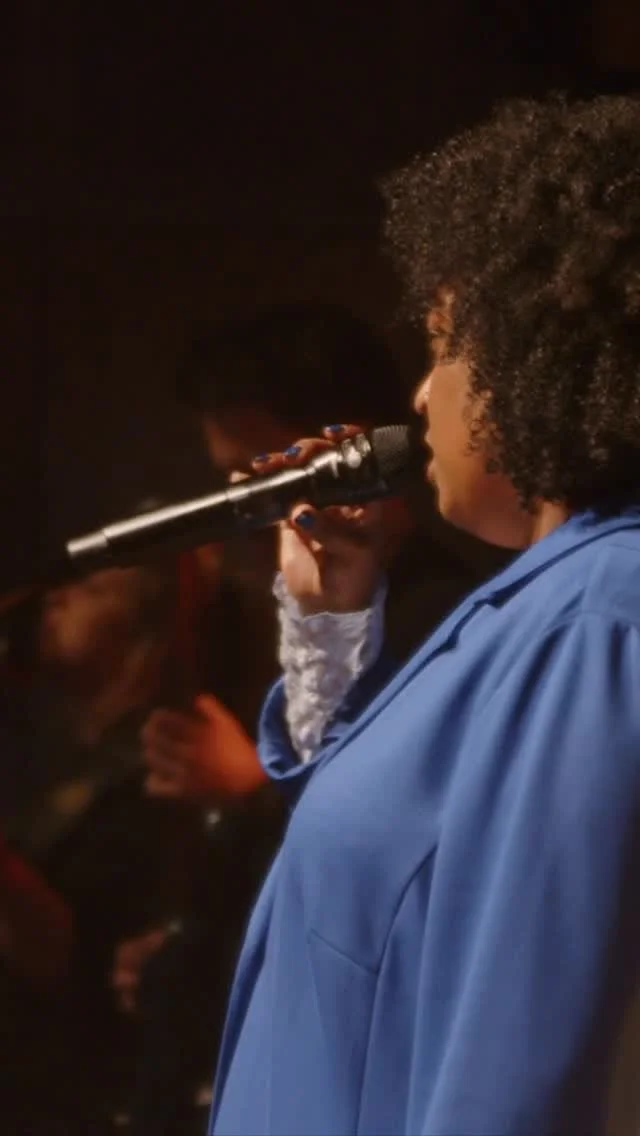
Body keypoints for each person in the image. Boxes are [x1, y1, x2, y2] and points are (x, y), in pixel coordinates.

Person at [208, 94, 640, 1136]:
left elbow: (520, 1039)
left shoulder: (596, 619)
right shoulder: (544, 603)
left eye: (445, 345)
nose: (420, 393)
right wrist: (330, 623)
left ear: (541, 354)